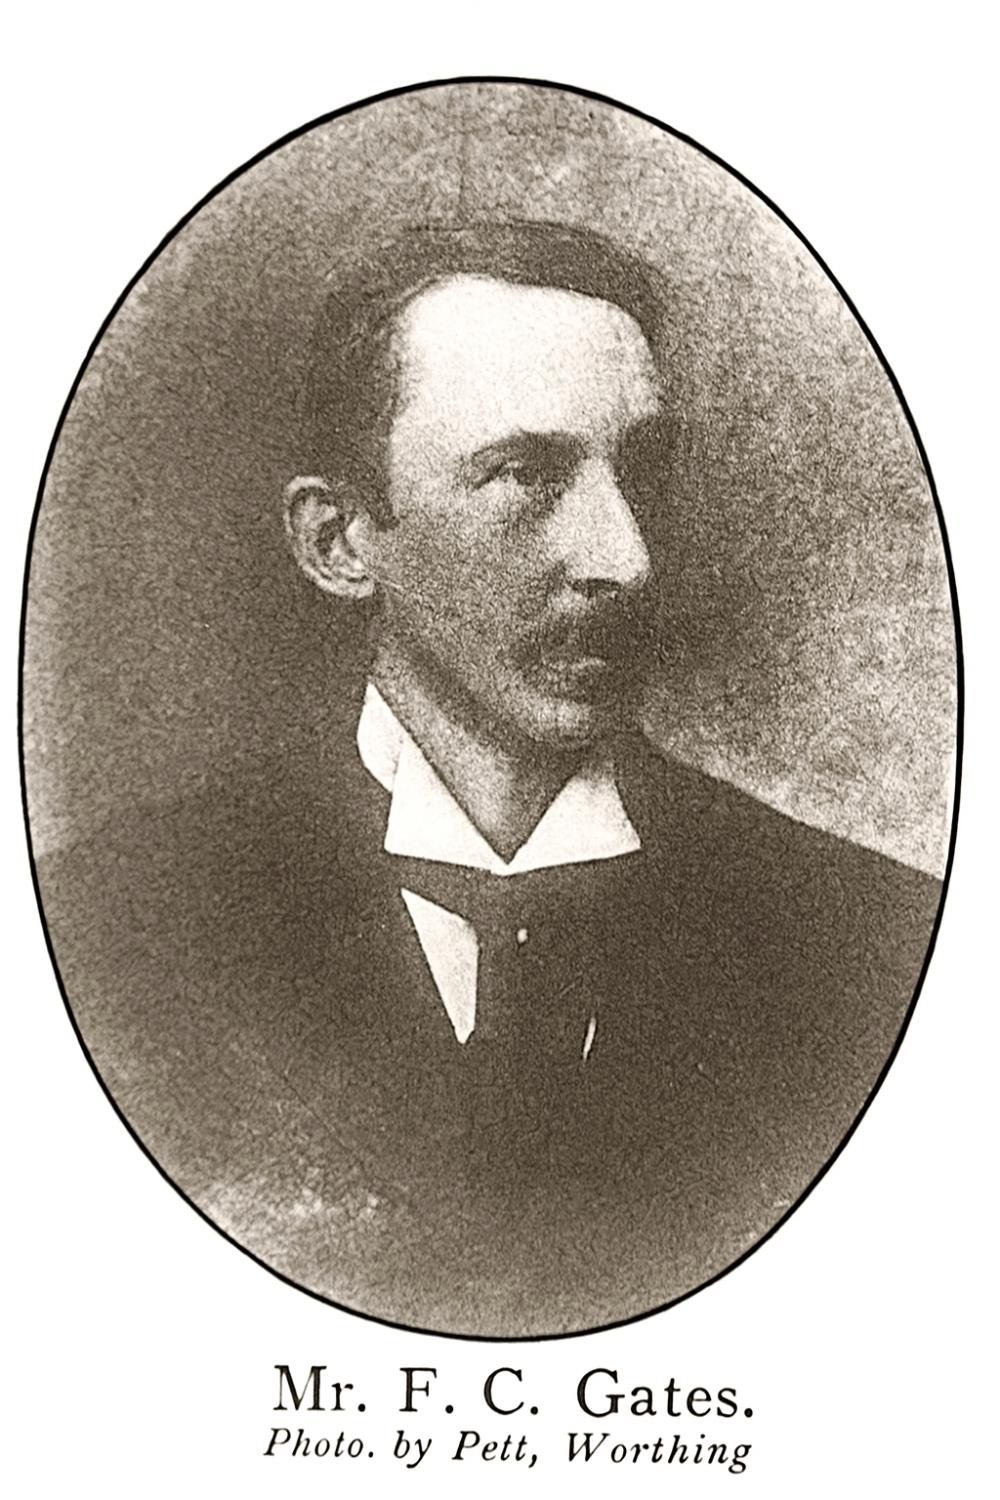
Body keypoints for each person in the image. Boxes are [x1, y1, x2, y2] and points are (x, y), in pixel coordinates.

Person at [36, 220, 942, 1336]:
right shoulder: (103, 933)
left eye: (641, 471)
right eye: (524, 474)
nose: (625, 558)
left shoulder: (873, 943)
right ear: (339, 542)